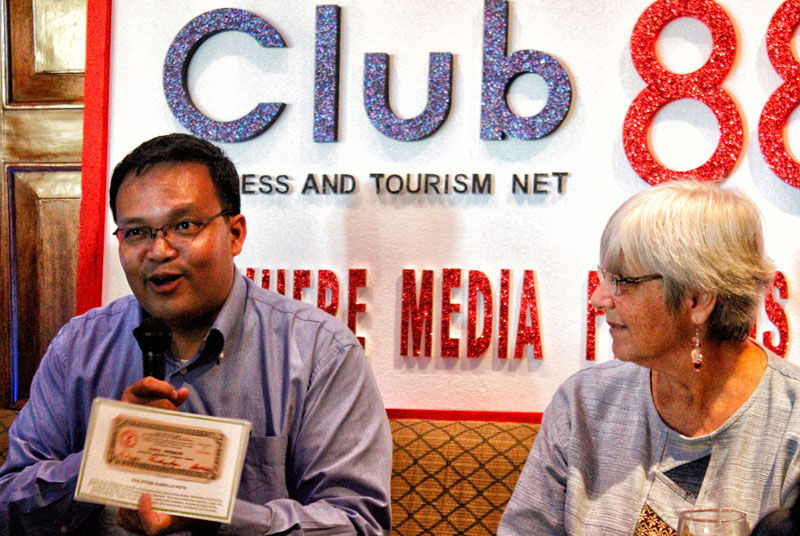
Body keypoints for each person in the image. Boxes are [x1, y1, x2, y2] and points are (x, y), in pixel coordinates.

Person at [0, 133, 392, 535]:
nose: (158, 251)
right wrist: (107, 454)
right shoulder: (79, 348)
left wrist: (213, 511)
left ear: (235, 233)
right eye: (136, 232)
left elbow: (358, 524)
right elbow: (9, 506)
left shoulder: (318, 351)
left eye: (184, 225)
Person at [498, 180, 800, 535]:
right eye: (603, 277)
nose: (598, 298)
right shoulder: (583, 404)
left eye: (623, 281)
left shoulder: (791, 422)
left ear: (698, 300)